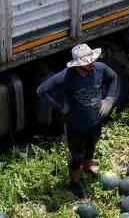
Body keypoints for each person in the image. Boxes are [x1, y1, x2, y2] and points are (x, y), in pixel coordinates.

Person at [36, 43, 119, 197]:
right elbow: (42, 90)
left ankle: (88, 166)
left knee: (91, 146)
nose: (92, 63)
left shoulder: (100, 68)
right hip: (75, 126)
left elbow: (113, 77)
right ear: (78, 65)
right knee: (76, 156)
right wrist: (60, 107)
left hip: (95, 121)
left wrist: (109, 99)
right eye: (88, 62)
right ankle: (74, 183)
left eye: (92, 60)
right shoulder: (66, 76)